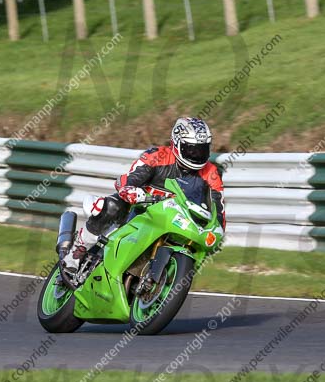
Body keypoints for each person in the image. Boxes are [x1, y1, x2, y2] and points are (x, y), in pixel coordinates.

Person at [62, 117, 226, 273]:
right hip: (138, 209)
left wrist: (218, 228)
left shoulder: (211, 173)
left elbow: (219, 209)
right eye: (191, 149)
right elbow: (127, 180)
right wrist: (131, 191)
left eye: (202, 149)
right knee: (111, 206)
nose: (197, 155)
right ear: (176, 143)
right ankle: (76, 253)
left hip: (176, 221)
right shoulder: (157, 156)